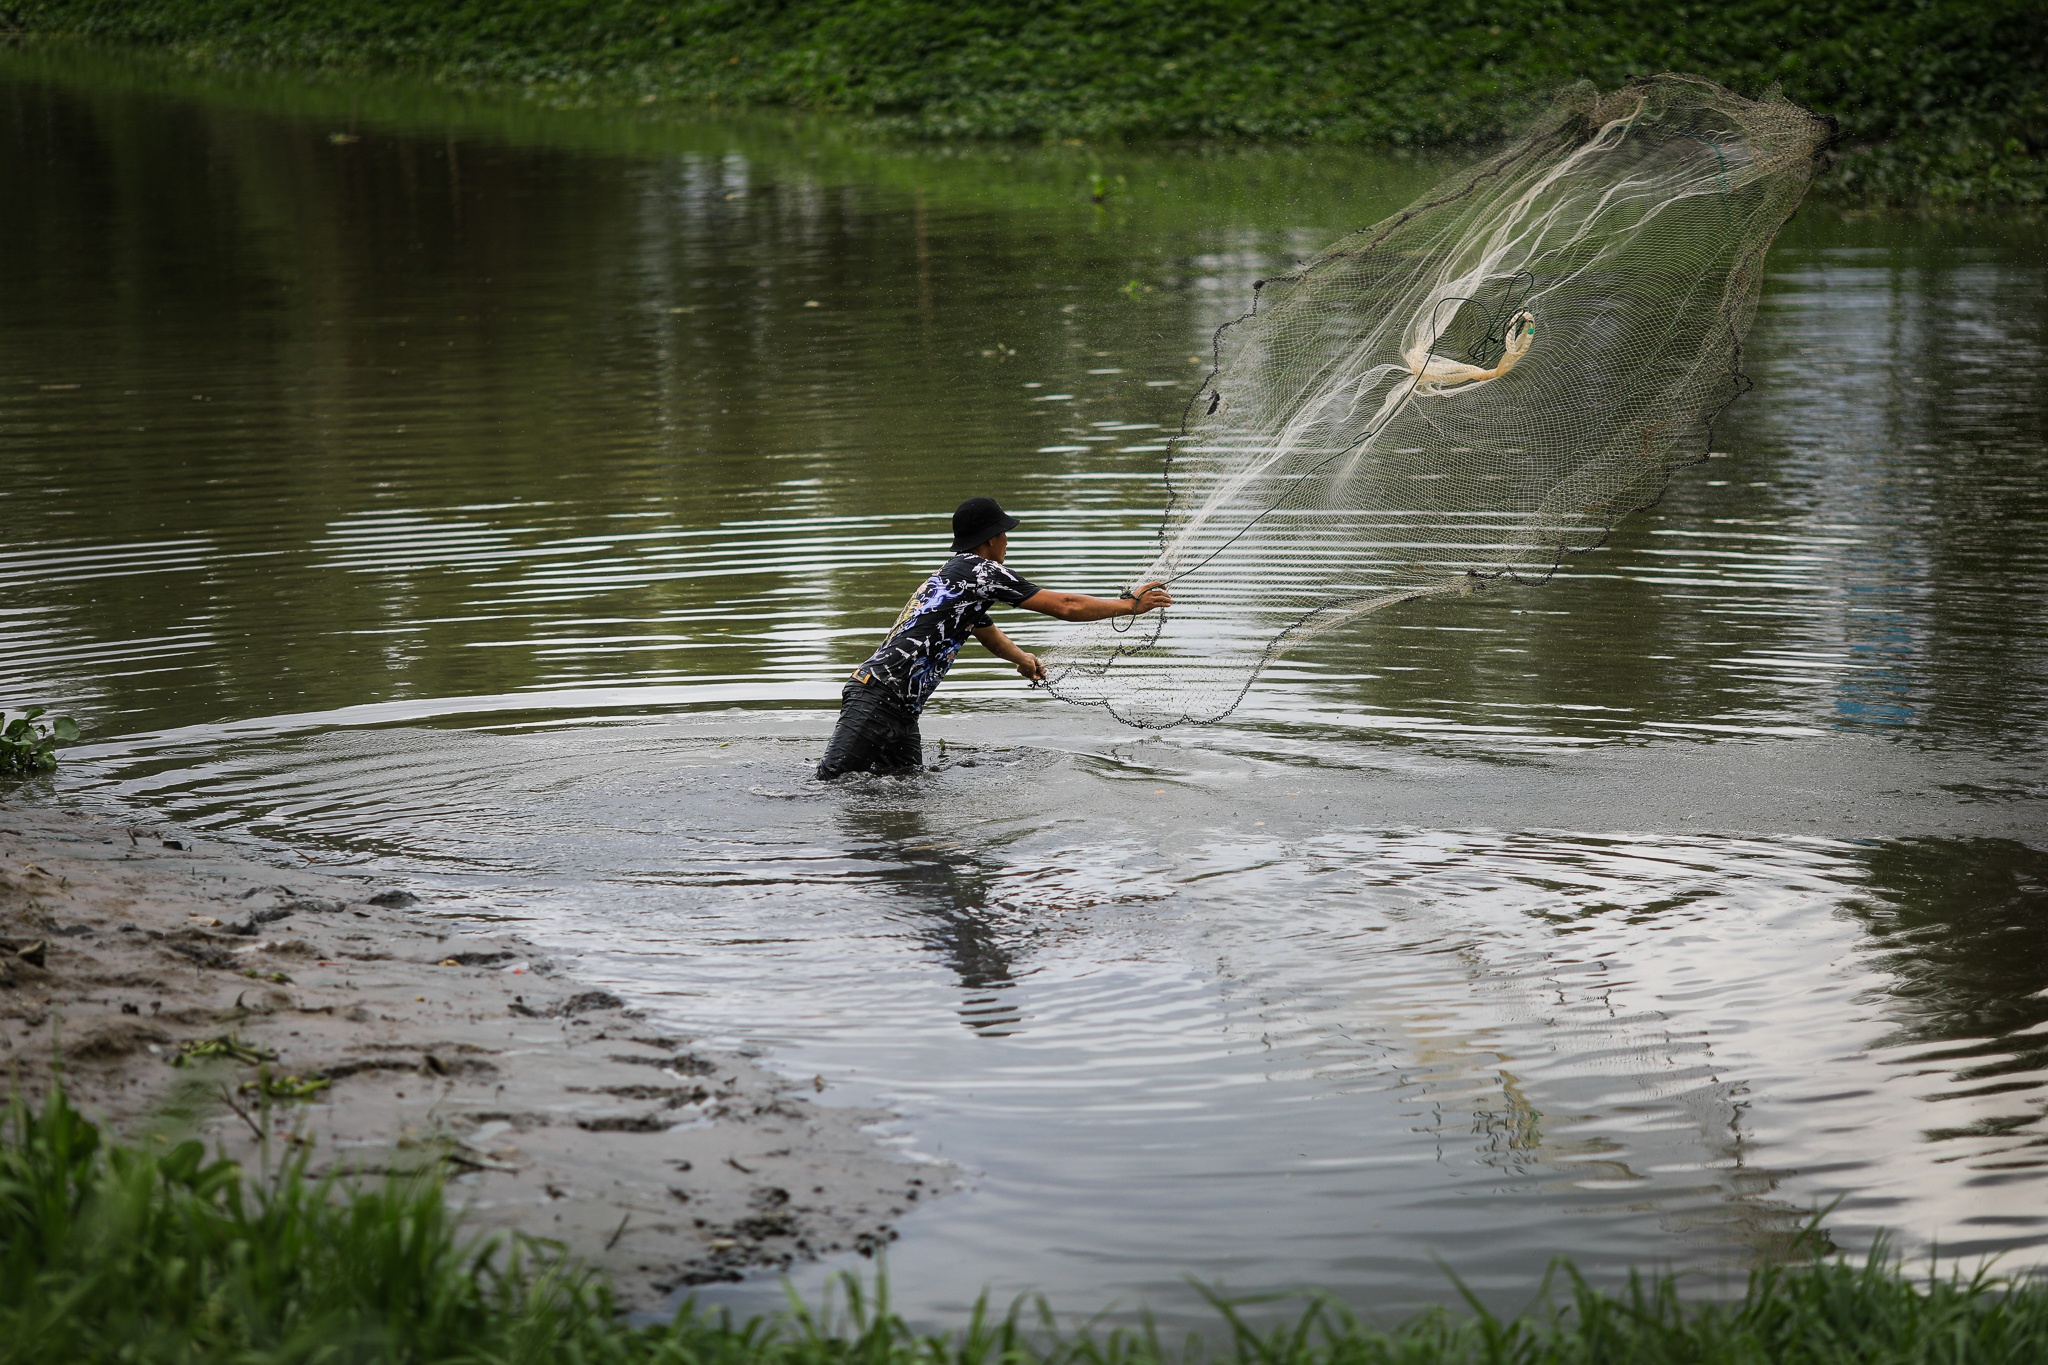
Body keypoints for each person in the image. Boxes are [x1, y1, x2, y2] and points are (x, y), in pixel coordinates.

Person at [816, 496, 1172, 779]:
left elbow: (988, 634)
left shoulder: (957, 578)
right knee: (829, 783)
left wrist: (1023, 659)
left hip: (900, 708)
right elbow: (1065, 606)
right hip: (878, 696)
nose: (1007, 541)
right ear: (991, 539)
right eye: (1004, 533)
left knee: (905, 792)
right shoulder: (982, 571)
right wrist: (1130, 606)